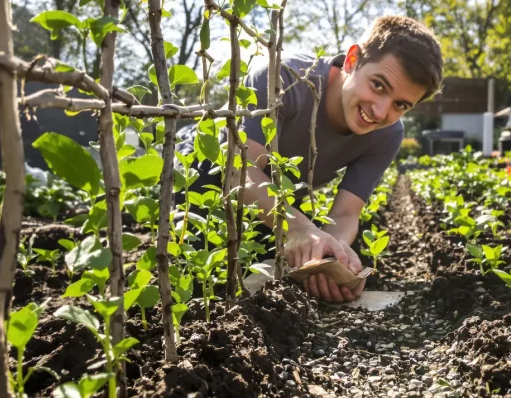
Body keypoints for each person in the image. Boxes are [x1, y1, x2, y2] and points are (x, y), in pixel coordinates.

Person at [178, 15, 443, 303]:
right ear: (353, 59)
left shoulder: (387, 135)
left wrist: (332, 256)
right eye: (379, 85)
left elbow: (346, 213)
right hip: (207, 170)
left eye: (400, 105)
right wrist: (300, 228)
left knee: (286, 278)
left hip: (278, 191)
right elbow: (239, 173)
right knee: (197, 279)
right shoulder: (285, 78)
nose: (380, 112)